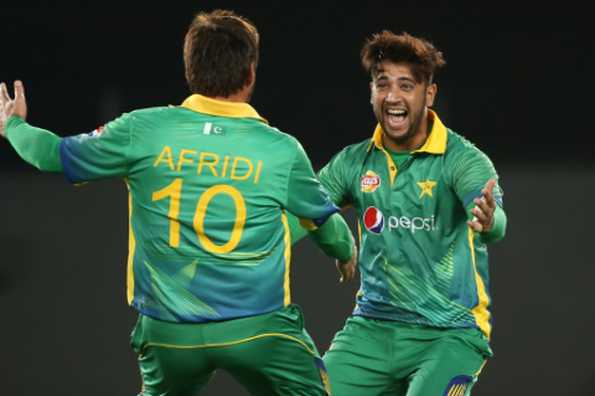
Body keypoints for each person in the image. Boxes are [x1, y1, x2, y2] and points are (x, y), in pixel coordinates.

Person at [0, 9, 357, 396]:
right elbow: (322, 220)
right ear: (251, 73)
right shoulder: (281, 150)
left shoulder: (143, 130)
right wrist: (345, 250)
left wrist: (13, 126)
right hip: (258, 333)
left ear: (190, 70)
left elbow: (51, 154)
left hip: (169, 335)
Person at [296, 30, 507, 395]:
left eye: (406, 85)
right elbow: (303, 211)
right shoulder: (353, 162)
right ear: (372, 92)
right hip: (373, 327)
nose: (392, 96)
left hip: (450, 330)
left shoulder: (462, 159)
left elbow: (496, 222)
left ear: (429, 94)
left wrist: (488, 219)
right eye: (383, 84)